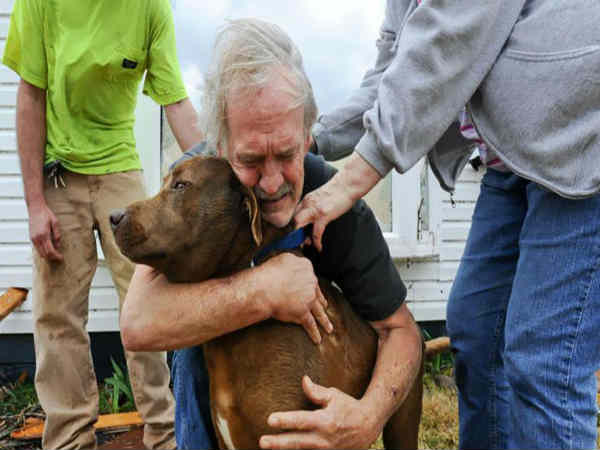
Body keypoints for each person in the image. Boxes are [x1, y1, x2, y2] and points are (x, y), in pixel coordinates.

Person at [294, 0, 600, 449]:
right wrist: (303, 140)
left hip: (580, 146)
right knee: (478, 332)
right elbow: (391, 78)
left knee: (544, 359)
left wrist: (350, 182)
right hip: (513, 164)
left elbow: (451, 36)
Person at [119, 18, 423, 450]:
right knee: (188, 344)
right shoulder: (198, 182)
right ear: (220, 148)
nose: (271, 181)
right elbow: (138, 323)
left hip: (312, 368)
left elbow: (401, 331)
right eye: (250, 159)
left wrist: (367, 416)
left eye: (286, 153)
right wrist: (264, 289)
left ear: (306, 136)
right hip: (221, 365)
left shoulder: (336, 202)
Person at [3, 0, 203, 448]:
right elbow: (29, 95)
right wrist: (35, 203)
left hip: (119, 167)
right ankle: (70, 440)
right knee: (58, 315)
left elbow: (176, 103)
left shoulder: (151, 7)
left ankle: (164, 436)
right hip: (57, 173)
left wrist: (221, 169)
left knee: (146, 296)